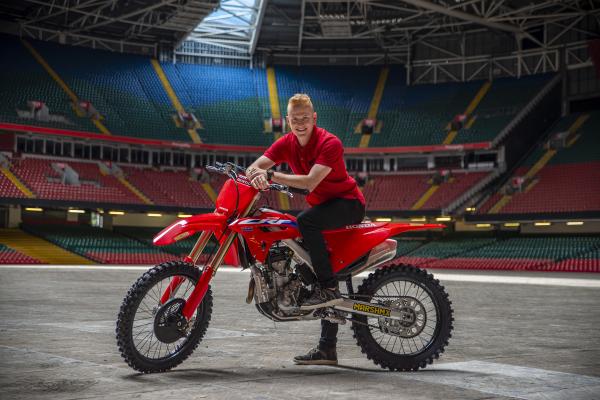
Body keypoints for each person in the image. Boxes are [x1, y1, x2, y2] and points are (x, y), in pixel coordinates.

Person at [246, 93, 365, 366]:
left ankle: (329, 289)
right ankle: (327, 349)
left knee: (305, 222)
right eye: (294, 119)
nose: (300, 123)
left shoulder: (329, 143)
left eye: (304, 118)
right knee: (305, 259)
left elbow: (311, 182)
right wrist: (253, 175)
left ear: (314, 118)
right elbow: (257, 165)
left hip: (347, 204)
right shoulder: (286, 143)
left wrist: (272, 175)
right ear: (288, 120)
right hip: (322, 208)